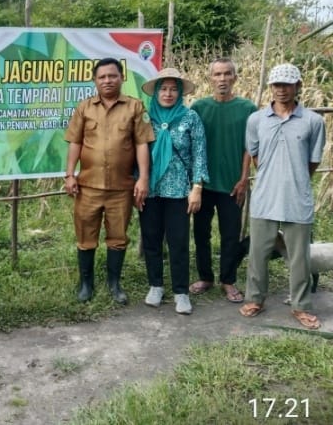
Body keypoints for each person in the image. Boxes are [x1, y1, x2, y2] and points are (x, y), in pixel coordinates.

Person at [240, 63, 326, 330]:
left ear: (298, 86)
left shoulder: (313, 121)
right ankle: (255, 299)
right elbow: (254, 156)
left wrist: (294, 177)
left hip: (297, 199)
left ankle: (301, 306)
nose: (281, 90)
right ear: (271, 88)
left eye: (287, 85)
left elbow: (312, 162)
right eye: (277, 85)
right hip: (265, 198)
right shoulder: (256, 120)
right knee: (258, 253)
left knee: (299, 257)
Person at [63, 57, 153, 306]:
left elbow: (141, 143)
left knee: (117, 236)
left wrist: (143, 179)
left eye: (112, 76)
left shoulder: (135, 107)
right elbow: (75, 142)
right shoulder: (84, 108)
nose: (107, 81)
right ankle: (86, 284)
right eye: (102, 77)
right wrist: (70, 174)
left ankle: (114, 284)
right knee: (85, 236)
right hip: (88, 186)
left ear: (121, 77)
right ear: (95, 81)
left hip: (121, 188)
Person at [138, 67, 208, 315]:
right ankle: (155, 285)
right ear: (156, 92)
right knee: (151, 240)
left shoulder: (190, 118)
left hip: (180, 190)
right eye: (164, 89)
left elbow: (199, 154)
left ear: (180, 93)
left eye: (173, 89)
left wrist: (197, 188)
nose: (168, 93)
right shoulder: (145, 117)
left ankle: (181, 292)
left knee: (178, 242)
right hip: (150, 189)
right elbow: (135, 150)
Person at [189, 57, 257, 303]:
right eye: (217, 74)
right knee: (201, 232)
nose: (222, 79)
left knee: (231, 234)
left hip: (232, 185)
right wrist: (195, 183)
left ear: (235, 78)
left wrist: (243, 179)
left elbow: (250, 147)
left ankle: (228, 280)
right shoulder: (199, 108)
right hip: (203, 184)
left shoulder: (247, 109)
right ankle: (205, 276)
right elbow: (192, 146)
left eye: (227, 74)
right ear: (210, 78)